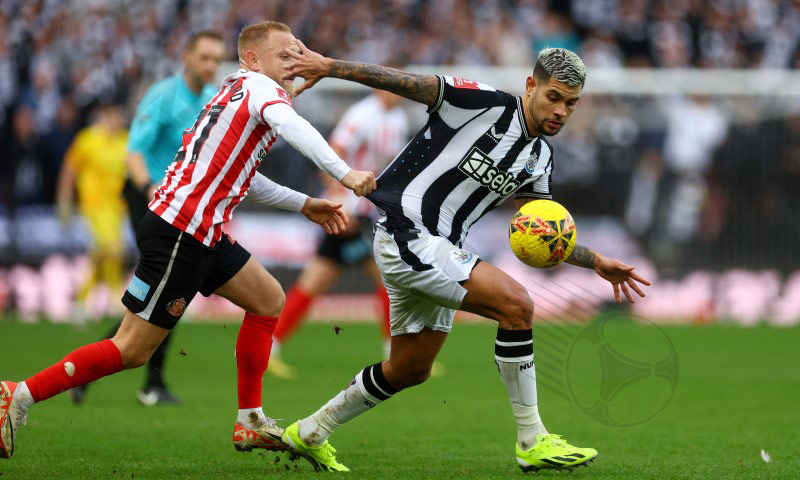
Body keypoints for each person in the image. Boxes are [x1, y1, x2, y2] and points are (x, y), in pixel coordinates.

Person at [0, 20, 377, 460]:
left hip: (198, 229)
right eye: (285, 55)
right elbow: (294, 128)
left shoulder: (234, 90)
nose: (295, 63)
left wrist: (304, 203)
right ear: (253, 59)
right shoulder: (261, 90)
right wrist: (345, 174)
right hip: (182, 231)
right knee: (132, 349)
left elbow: (244, 178)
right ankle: (17, 394)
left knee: (267, 298)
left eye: (298, 53)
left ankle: (250, 421)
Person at [276, 46, 651, 472]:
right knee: (517, 304)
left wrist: (594, 260)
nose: (561, 110)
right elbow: (403, 81)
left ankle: (309, 431)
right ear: (530, 85)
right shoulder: (479, 102)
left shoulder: (539, 159)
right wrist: (330, 66)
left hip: (440, 248)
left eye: (571, 103)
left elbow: (543, 231)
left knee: (410, 368)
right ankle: (532, 439)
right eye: (554, 96)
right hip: (407, 231)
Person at [69, 31, 226, 407]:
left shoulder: (209, 99)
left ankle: (94, 370)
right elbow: (134, 151)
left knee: (166, 293)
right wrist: (149, 189)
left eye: (216, 59)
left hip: (179, 205)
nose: (210, 65)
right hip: (149, 200)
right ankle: (140, 382)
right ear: (186, 56)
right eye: (204, 57)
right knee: (168, 290)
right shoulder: (163, 96)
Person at [269, 89, 409, 378]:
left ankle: (269, 348)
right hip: (348, 212)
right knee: (389, 279)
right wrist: (340, 201)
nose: (400, 96)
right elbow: (333, 153)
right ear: (382, 89)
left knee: (315, 282)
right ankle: (397, 355)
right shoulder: (362, 115)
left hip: (366, 213)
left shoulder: (397, 119)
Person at [56, 103, 128, 319]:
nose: (118, 121)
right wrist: (64, 200)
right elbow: (69, 170)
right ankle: (116, 300)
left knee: (103, 253)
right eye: (114, 116)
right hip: (94, 206)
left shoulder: (124, 140)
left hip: (116, 207)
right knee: (112, 248)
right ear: (104, 117)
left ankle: (80, 300)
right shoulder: (87, 140)